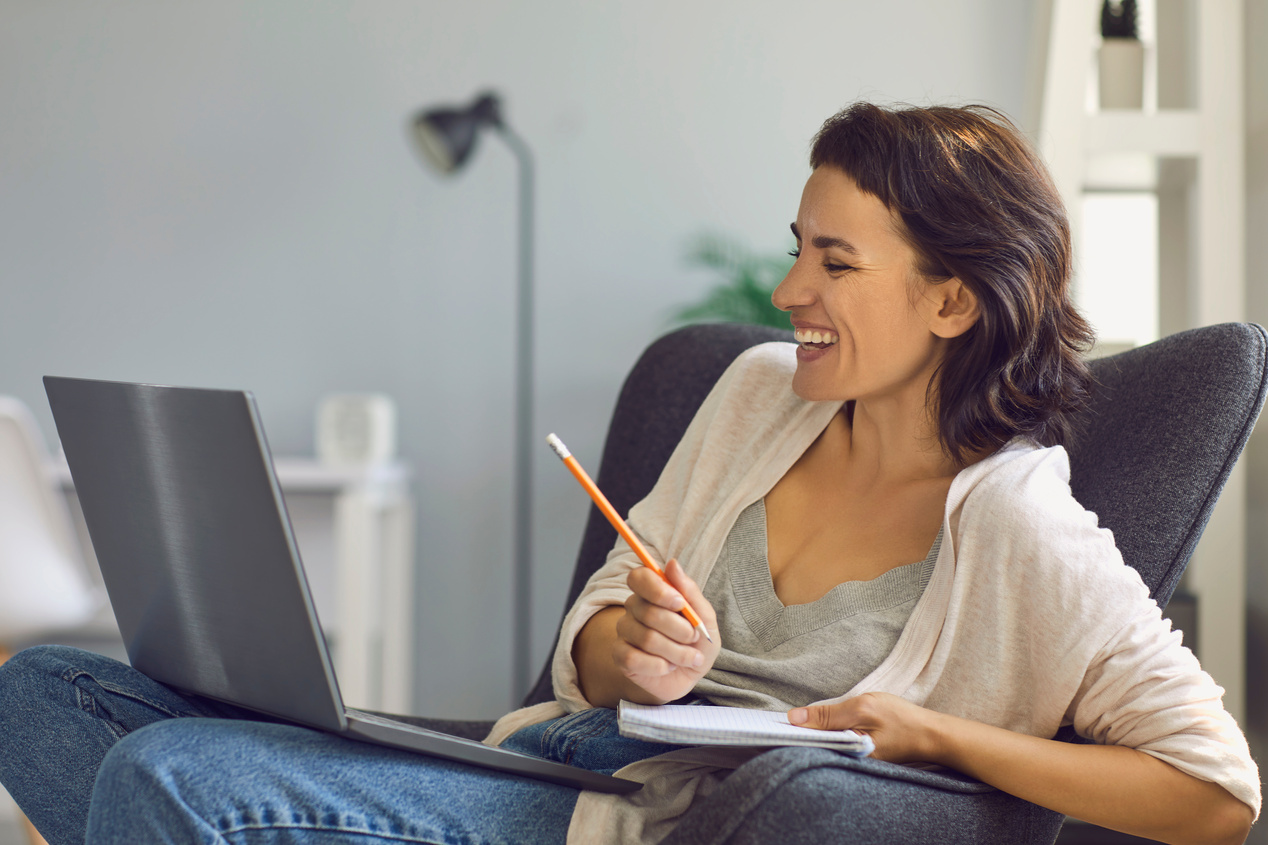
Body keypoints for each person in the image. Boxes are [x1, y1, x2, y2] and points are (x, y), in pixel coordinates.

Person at [0, 102, 1258, 845]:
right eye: (793, 250)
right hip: (552, 751)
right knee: (44, 692)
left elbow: (1213, 790)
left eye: (832, 261)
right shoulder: (757, 391)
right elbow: (599, 626)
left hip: (628, 819)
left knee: (169, 779)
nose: (786, 293)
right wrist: (630, 646)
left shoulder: (1021, 522)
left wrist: (933, 732)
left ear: (948, 299)